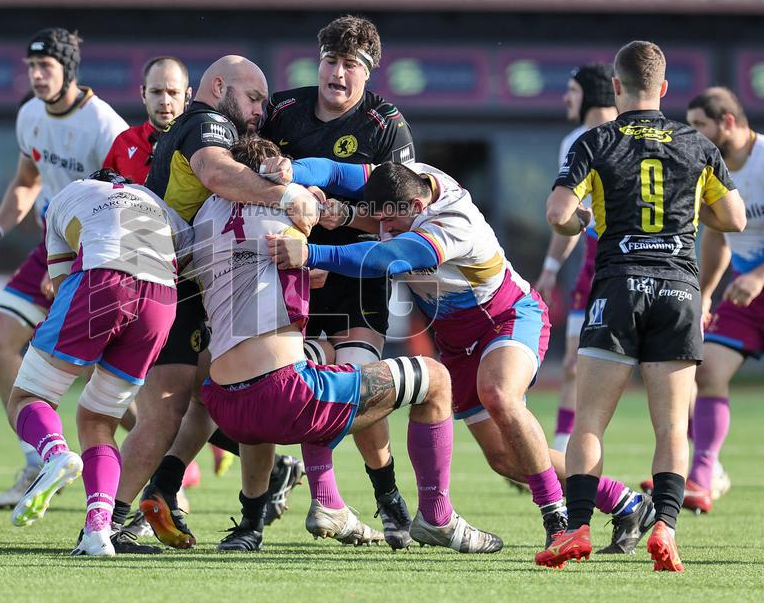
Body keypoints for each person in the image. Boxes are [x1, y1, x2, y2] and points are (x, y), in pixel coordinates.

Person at [268, 156, 655, 555]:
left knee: (499, 393)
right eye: (380, 220)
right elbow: (333, 173)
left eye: (392, 224)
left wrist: (311, 253)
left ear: (417, 210)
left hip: (507, 317)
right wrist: (287, 172)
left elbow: (385, 257)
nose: (384, 230)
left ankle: (557, 519)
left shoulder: (454, 222)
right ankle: (625, 503)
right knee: (505, 459)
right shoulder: (406, 180)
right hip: (457, 343)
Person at [195, 136, 502, 553]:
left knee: (312, 358)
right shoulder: (289, 204)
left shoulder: (204, 214)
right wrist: (303, 210)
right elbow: (361, 248)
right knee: (434, 378)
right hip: (286, 398)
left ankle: (251, 524)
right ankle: (436, 516)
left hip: (224, 403)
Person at [537, 41, 746, 572]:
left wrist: (577, 222)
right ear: (665, 88)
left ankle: (577, 528)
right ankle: (666, 530)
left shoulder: (595, 140)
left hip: (618, 289)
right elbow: (736, 220)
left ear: (615, 86)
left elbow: (558, 212)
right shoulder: (696, 143)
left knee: (589, 422)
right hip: (678, 292)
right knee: (672, 427)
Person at [105, 55, 320, 552]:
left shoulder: (192, 126)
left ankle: (161, 487)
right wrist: (287, 194)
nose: (261, 110)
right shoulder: (207, 123)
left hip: (169, 281)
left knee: (210, 389)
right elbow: (218, 173)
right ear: (219, 86)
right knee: (166, 406)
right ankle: (111, 520)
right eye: (254, 98)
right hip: (166, 285)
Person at [259, 14, 416, 549]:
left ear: (369, 73)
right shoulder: (280, 110)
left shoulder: (386, 125)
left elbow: (401, 216)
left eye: (352, 65)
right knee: (304, 384)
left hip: (359, 275)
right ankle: (318, 501)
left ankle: (388, 498)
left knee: (362, 387)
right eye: (332, 61)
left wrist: (340, 220)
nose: (339, 74)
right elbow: (248, 182)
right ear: (318, 61)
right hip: (289, 271)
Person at [0, 29, 127, 509]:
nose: (36, 76)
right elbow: (26, 180)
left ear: (69, 71)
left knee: (104, 375)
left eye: (46, 67)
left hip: (96, 254)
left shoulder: (103, 125)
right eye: (31, 67)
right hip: (49, 248)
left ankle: (175, 446)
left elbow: (125, 204)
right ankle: (38, 462)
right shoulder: (31, 115)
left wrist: (76, 267)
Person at [3, 168, 192, 556]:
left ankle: (55, 455)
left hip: (104, 281)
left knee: (26, 398)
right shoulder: (157, 203)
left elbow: (59, 285)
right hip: (162, 302)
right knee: (98, 420)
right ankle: (98, 532)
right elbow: (186, 261)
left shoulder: (68, 195)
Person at [678, 86, 761, 513]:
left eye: (699, 126)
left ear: (727, 122)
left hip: (755, 283)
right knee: (707, 370)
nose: (693, 135)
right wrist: (705, 296)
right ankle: (704, 476)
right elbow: (716, 237)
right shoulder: (713, 168)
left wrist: (760, 275)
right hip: (746, 293)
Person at [534, 64, 618, 453]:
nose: (566, 97)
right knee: (572, 364)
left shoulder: (631, 133)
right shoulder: (573, 142)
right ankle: (562, 457)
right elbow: (568, 213)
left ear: (594, 93)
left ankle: (690, 457)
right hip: (593, 260)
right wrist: (550, 271)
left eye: (572, 90)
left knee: (661, 367)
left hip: (640, 261)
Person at [104, 56, 192, 184]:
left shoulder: (199, 143)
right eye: (156, 92)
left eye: (173, 92)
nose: (165, 101)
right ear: (143, 93)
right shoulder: (124, 142)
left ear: (187, 95)